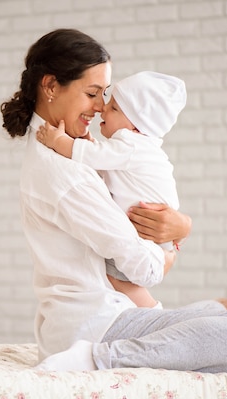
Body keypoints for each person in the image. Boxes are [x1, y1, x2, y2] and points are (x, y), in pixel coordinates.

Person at [0, 28, 227, 372]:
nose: (101, 107)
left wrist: (179, 226)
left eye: (104, 95)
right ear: (51, 85)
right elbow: (144, 269)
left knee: (226, 310)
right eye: (92, 93)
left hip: (99, 314)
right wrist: (171, 251)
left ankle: (130, 345)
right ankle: (95, 359)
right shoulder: (63, 171)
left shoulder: (75, 151)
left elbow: (131, 212)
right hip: (96, 325)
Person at [36, 71, 186, 309]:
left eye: (114, 108)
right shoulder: (136, 148)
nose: (103, 109)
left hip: (149, 239)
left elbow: (91, 157)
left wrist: (57, 141)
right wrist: (89, 142)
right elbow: (107, 164)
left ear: (137, 127)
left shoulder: (132, 145)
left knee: (114, 276)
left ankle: (150, 312)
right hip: (158, 239)